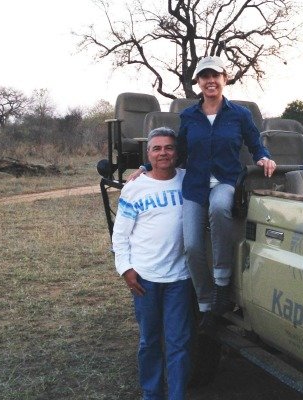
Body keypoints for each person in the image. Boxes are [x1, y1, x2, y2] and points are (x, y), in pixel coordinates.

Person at [130, 55, 276, 322]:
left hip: (226, 181)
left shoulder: (239, 115)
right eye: (204, 76)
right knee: (192, 245)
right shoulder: (189, 116)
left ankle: (222, 281)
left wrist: (263, 157)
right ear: (198, 82)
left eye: (215, 76)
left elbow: (256, 145)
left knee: (221, 207)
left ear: (225, 79)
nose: (210, 81)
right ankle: (206, 303)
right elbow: (180, 150)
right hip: (195, 185)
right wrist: (145, 167)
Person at [112, 127, 193, 400]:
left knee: (178, 343)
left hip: (179, 279)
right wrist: (125, 269)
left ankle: (177, 395)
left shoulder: (188, 181)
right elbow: (120, 235)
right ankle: (152, 394)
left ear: (177, 152)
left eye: (169, 147)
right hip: (145, 278)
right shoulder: (134, 188)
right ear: (148, 154)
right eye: (156, 148)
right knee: (150, 341)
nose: (163, 153)